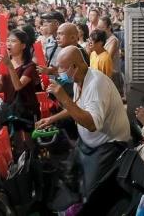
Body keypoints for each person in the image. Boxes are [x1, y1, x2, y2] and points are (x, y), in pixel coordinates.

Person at [35, 45, 131, 200]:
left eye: (62, 68)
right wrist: (52, 119)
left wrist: (63, 98)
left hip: (109, 145)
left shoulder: (96, 85)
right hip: (88, 143)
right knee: (74, 176)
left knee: (93, 191)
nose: (59, 73)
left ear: (74, 67)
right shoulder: (79, 79)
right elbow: (77, 107)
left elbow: (92, 124)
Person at [0, 29, 40, 128]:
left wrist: (9, 65)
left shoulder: (30, 66)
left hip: (26, 109)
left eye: (13, 41)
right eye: (8, 41)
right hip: (9, 107)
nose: (9, 44)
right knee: (15, 141)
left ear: (23, 46)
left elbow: (18, 86)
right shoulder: (4, 63)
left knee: (28, 140)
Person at [37, 11, 65, 77]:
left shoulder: (68, 42)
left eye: (48, 22)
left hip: (64, 84)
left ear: (57, 24)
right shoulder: (49, 41)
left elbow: (72, 76)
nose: (45, 24)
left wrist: (54, 72)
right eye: (44, 22)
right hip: (50, 82)